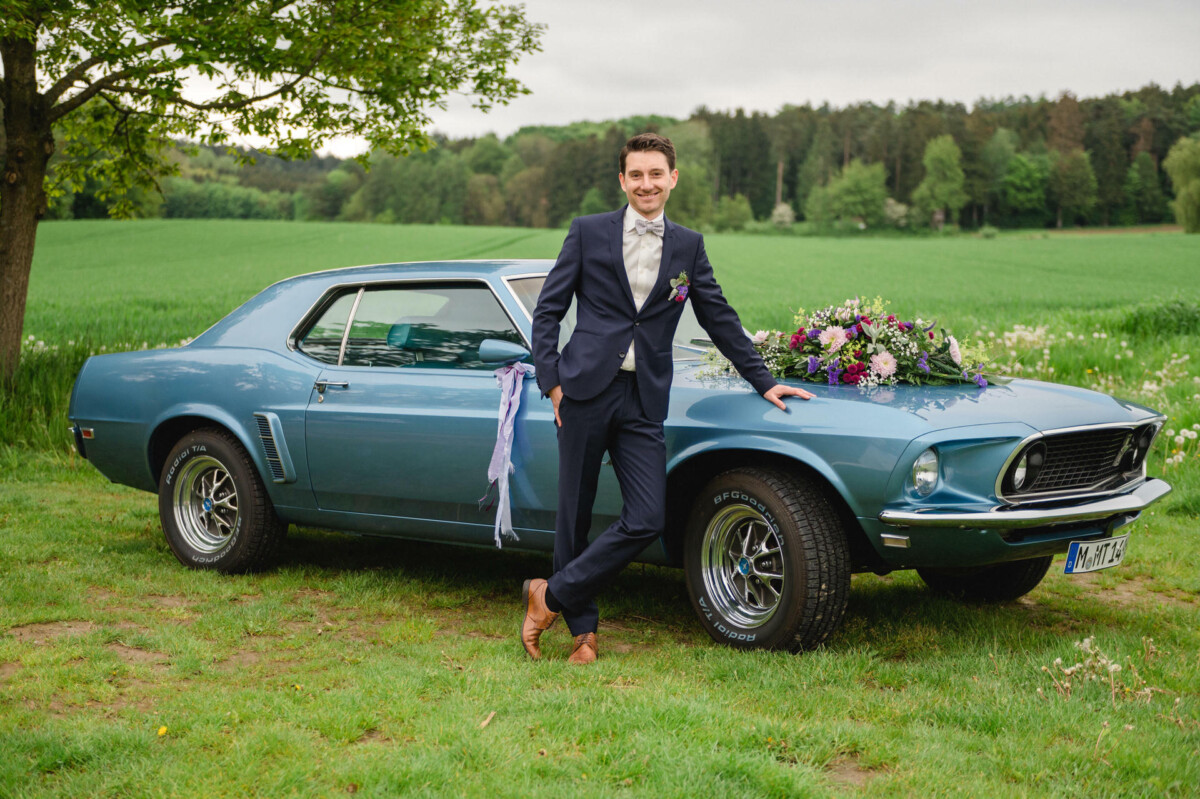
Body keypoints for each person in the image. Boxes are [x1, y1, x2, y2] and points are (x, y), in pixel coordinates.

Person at [523, 133, 812, 664]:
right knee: (575, 513)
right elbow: (548, 311)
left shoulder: (687, 245)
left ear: (672, 178)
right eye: (636, 175)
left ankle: (552, 595)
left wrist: (762, 379)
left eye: (656, 174)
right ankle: (583, 634)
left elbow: (717, 314)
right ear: (623, 180)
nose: (646, 184)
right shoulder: (588, 232)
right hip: (584, 390)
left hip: (644, 396)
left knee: (648, 517)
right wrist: (553, 382)